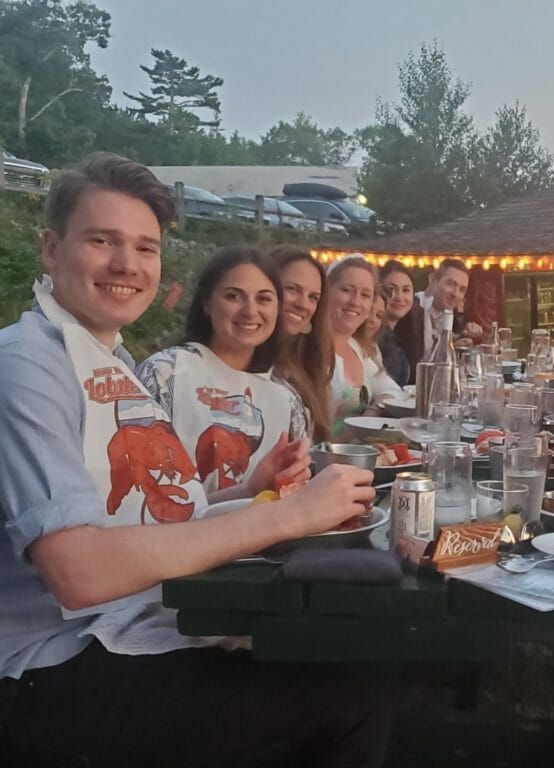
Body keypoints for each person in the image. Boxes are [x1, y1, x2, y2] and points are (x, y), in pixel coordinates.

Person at [0, 153, 390, 767]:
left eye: (145, 248)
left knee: (334, 657)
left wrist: (250, 491)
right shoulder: (30, 365)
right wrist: (288, 518)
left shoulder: (106, 358)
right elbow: (79, 573)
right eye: (102, 241)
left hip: (128, 624)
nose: (127, 264)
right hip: (49, 665)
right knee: (347, 704)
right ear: (51, 249)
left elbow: (143, 516)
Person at [136, 247, 309, 495]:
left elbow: (293, 491)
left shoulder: (287, 399)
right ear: (207, 303)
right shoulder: (165, 373)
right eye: (234, 296)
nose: (250, 311)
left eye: (264, 299)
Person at [326, 255, 402, 436]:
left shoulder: (357, 348)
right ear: (326, 291)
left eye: (365, 295)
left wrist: (373, 411)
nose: (355, 301)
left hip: (356, 456)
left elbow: (394, 391)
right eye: (347, 290)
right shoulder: (309, 348)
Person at [269, 244, 335, 442]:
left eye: (313, 297)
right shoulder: (244, 363)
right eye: (291, 289)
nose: (303, 304)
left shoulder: (307, 363)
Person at [394, 257, 482, 372]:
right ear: (433, 280)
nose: (455, 294)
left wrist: (463, 337)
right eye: (451, 284)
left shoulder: (453, 316)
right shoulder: (411, 311)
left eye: (462, 290)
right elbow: (413, 367)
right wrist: (449, 350)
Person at [378, 260, 415, 386]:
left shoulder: (402, 333)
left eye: (406, 290)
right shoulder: (375, 334)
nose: (399, 297)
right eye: (391, 290)